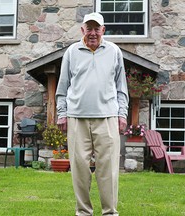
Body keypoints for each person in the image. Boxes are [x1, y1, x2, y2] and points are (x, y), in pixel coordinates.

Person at [56, 12, 129, 216]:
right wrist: (62, 113)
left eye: (97, 28)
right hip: (77, 118)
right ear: (82, 30)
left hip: (107, 118)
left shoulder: (114, 51)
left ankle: (110, 212)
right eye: (89, 28)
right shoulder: (72, 52)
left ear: (103, 30)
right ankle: (83, 212)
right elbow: (62, 87)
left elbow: (121, 87)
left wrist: (122, 114)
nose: (93, 33)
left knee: (109, 170)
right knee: (80, 170)